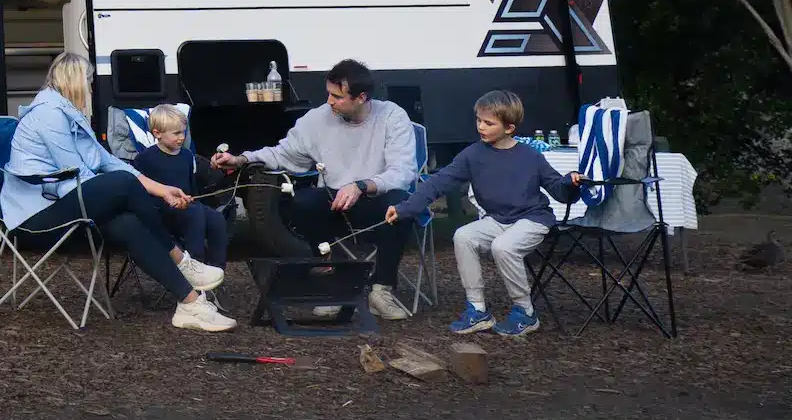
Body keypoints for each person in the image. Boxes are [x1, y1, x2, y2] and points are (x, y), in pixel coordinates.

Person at [2, 53, 235, 331]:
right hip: (37, 214)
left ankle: (190, 304)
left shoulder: (67, 113)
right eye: (88, 81)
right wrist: (116, 194)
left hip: (65, 200)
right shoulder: (49, 114)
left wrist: (162, 190)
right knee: (122, 184)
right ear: (75, 81)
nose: (90, 88)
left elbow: (106, 161)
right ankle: (181, 260)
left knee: (128, 224)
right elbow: (77, 171)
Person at [210, 57, 418, 320]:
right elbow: (284, 154)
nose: (329, 101)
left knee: (402, 205)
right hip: (335, 200)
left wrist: (361, 186)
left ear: (361, 97)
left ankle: (381, 289)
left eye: (337, 96)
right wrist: (241, 159)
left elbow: (403, 172)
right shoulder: (318, 119)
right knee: (298, 203)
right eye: (328, 94)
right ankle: (339, 283)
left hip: (378, 198)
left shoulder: (391, 116)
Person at [387, 89, 585, 337]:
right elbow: (438, 182)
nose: (481, 126)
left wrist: (570, 183)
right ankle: (477, 309)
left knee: (503, 247)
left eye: (489, 123)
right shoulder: (473, 155)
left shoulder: (530, 156)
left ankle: (525, 312)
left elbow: (559, 191)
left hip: (533, 219)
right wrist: (405, 208)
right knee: (463, 236)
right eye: (479, 120)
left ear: (509, 128)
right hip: (499, 219)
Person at [129, 104, 229, 272]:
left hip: (187, 205)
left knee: (216, 218)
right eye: (176, 133)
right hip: (162, 211)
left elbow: (191, 186)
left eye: (183, 132)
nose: (181, 137)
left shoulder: (187, 156)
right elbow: (141, 192)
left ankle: (217, 268)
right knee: (195, 214)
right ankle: (195, 267)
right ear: (157, 134)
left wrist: (192, 198)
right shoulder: (145, 159)